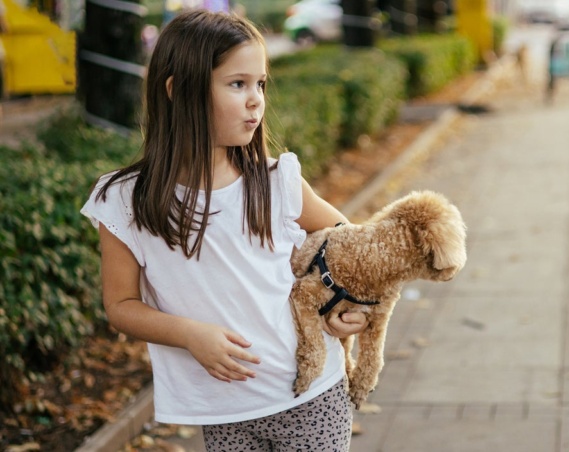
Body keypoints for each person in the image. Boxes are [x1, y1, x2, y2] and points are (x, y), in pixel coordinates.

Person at [81, 11, 368, 451]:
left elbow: (355, 248)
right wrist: (190, 335)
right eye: (238, 84)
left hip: (312, 394)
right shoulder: (123, 199)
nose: (256, 99)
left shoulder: (278, 181)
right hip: (223, 409)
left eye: (261, 84)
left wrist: (345, 304)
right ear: (178, 91)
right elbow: (120, 305)